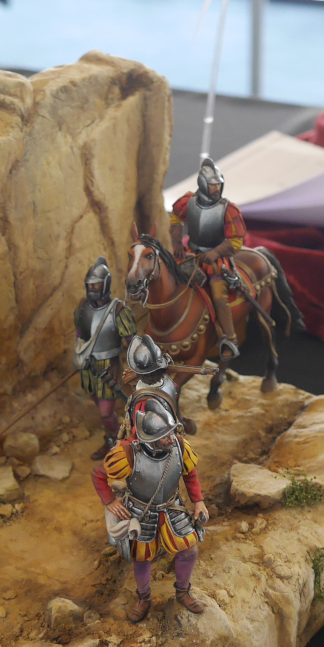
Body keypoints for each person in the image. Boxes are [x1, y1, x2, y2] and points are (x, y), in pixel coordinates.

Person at [92, 397, 209, 622]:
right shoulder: (127, 453)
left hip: (172, 507)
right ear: (151, 439)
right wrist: (109, 501)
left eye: (171, 432)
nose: (171, 438)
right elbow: (99, 475)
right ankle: (144, 597)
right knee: (142, 557)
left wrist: (198, 501)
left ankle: (183, 592)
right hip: (141, 512)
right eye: (165, 435)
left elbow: (190, 473)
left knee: (189, 550)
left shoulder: (179, 446)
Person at [169, 158, 246, 360]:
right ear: (203, 184)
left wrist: (217, 252)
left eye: (219, 184)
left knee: (219, 297)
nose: (217, 188)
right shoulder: (188, 201)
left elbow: (236, 240)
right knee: (167, 280)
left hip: (216, 260)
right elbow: (176, 218)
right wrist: (176, 241)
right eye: (213, 185)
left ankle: (230, 339)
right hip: (190, 254)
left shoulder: (229, 209)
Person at [74, 257, 137, 460]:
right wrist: (80, 353)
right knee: (98, 404)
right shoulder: (83, 307)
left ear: (106, 284)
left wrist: (138, 367)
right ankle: (112, 439)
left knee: (106, 412)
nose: (92, 288)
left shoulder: (118, 310)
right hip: (88, 366)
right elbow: (80, 333)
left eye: (97, 284)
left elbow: (131, 341)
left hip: (109, 367)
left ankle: (121, 443)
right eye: (90, 284)